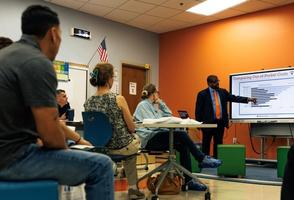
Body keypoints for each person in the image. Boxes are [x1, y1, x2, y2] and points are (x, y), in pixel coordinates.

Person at [0, 5, 114, 200]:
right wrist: (68, 153)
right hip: (12, 159)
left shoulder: (7, 56)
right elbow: (50, 134)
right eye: (61, 35)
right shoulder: (37, 62)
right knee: (102, 165)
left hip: (7, 152)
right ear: (53, 33)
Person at [134, 83, 222, 191]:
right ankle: (201, 158)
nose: (158, 96)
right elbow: (153, 126)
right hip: (150, 139)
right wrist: (166, 127)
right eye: (157, 94)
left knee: (183, 146)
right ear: (153, 94)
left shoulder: (153, 107)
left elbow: (168, 114)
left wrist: (160, 103)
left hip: (157, 136)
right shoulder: (143, 105)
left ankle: (189, 182)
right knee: (182, 134)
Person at [84, 63, 145, 200]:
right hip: (120, 147)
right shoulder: (118, 98)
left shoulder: (88, 102)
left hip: (100, 148)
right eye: (113, 77)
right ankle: (133, 188)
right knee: (134, 143)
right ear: (108, 79)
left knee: (130, 146)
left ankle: (122, 174)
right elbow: (131, 127)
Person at [195, 75, 256, 158]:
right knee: (206, 143)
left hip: (220, 123)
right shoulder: (202, 94)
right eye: (215, 82)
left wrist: (248, 99)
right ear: (209, 83)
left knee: (218, 143)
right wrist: (199, 124)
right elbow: (198, 110)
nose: (217, 84)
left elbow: (234, 98)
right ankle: (205, 161)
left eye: (217, 81)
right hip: (207, 123)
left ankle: (217, 160)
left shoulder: (223, 92)